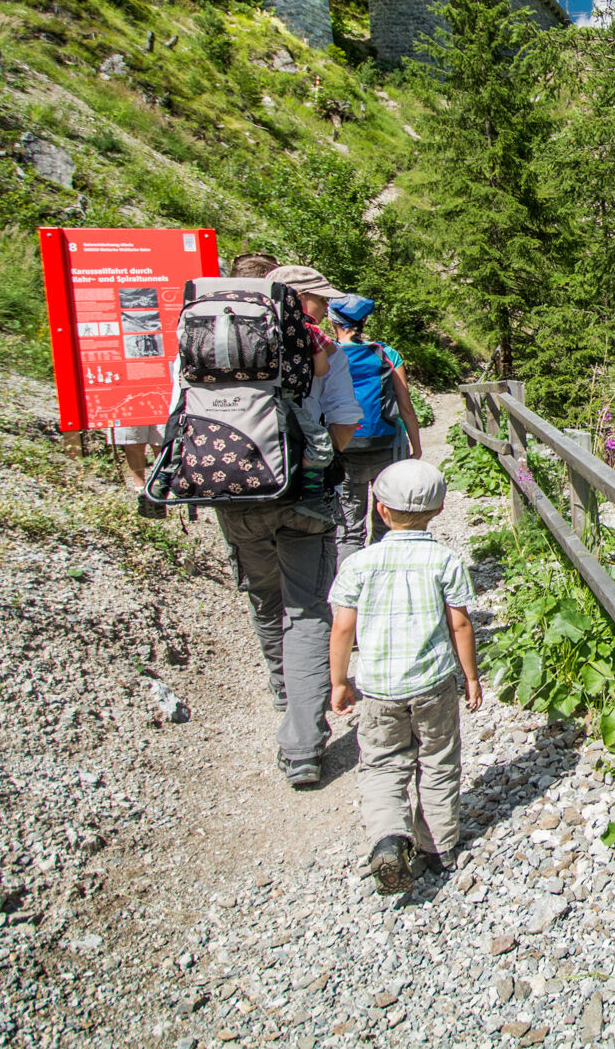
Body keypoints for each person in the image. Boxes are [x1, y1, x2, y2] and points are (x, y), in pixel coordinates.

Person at [211, 260, 363, 788]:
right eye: (320, 299)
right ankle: (302, 739)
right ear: (300, 300)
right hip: (303, 496)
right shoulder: (324, 351)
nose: (327, 307)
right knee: (306, 608)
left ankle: (286, 695)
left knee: (264, 597)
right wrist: (318, 462)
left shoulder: (209, 342)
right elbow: (344, 420)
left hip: (229, 495)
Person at [328, 460, 482, 893]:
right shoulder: (445, 560)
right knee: (437, 760)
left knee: (381, 764)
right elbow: (461, 625)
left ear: (380, 510)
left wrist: (340, 681)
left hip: (378, 689)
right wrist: (470, 676)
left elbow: (343, 627)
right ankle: (437, 847)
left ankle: (388, 838)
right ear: (439, 509)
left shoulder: (359, 564)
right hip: (434, 684)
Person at [326, 294, 424, 565]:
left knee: (349, 530)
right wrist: (416, 445)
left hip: (343, 448)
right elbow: (405, 405)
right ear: (364, 321)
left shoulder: (325, 354)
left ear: (332, 321)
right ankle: (382, 581)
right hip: (386, 446)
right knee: (386, 520)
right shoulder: (385, 354)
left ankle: (350, 596)